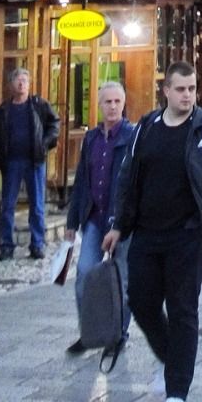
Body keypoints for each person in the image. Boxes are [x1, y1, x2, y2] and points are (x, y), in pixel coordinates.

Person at [102, 62, 202, 402]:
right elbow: (128, 177)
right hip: (147, 233)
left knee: (182, 308)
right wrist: (118, 225)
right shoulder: (147, 127)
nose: (187, 95)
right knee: (140, 301)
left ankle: (176, 390)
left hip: (189, 234)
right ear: (166, 91)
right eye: (181, 89)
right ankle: (174, 358)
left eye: (192, 89)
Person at [66, 80, 139, 358]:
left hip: (122, 222)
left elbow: (134, 183)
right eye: (107, 102)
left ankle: (118, 334)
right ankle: (90, 332)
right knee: (85, 273)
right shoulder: (92, 139)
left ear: (123, 104)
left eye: (117, 101)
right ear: (99, 105)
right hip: (94, 219)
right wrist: (73, 221)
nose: (112, 106)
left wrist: (125, 221)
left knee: (121, 281)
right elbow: (82, 181)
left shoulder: (131, 137)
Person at [0, 68, 59, 260]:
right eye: (18, 80)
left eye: (25, 81)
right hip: (11, 162)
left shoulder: (39, 105)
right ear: (11, 85)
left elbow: (54, 125)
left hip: (34, 161)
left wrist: (44, 143)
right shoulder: (3, 111)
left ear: (29, 84)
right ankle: (7, 245)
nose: (21, 84)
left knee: (37, 205)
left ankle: (37, 244)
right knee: (8, 205)